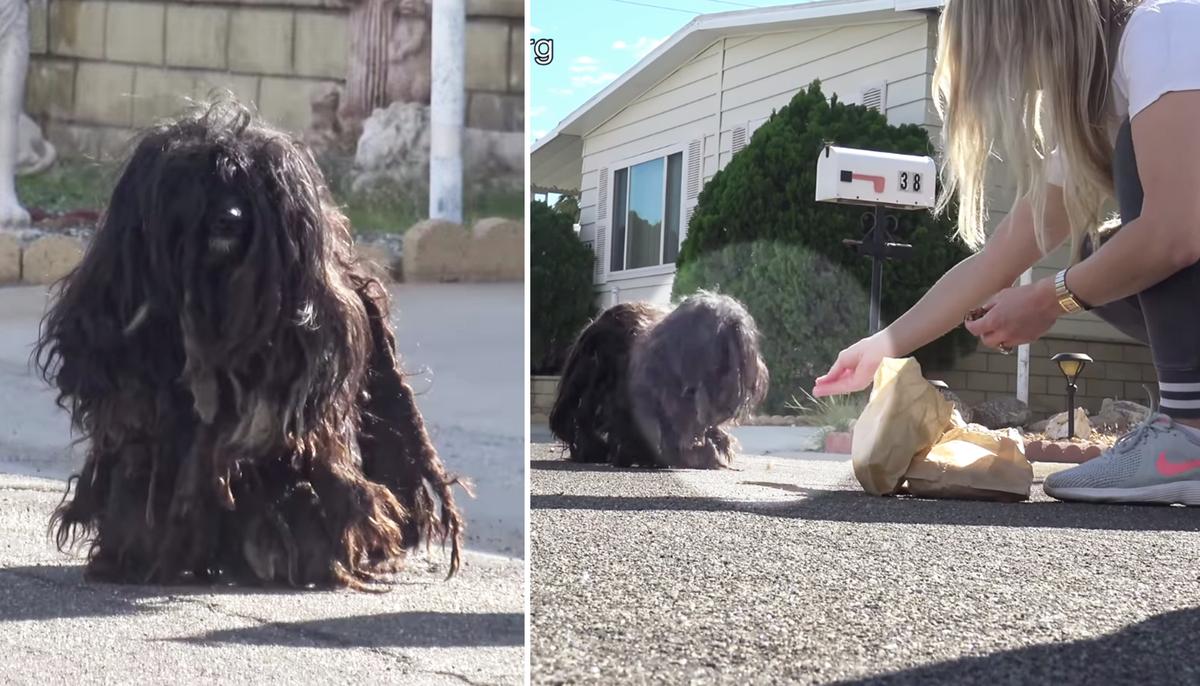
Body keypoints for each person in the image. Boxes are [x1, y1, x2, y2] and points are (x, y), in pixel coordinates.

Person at [813, 0, 1200, 506]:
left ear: (1034, 26)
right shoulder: (1106, 102)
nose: (1013, 82)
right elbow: (998, 260)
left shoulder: (1167, 33)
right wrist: (884, 344)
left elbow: (1176, 232)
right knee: (1099, 256)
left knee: (1132, 211)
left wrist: (1050, 299)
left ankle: (1187, 434)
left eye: (1001, 57)